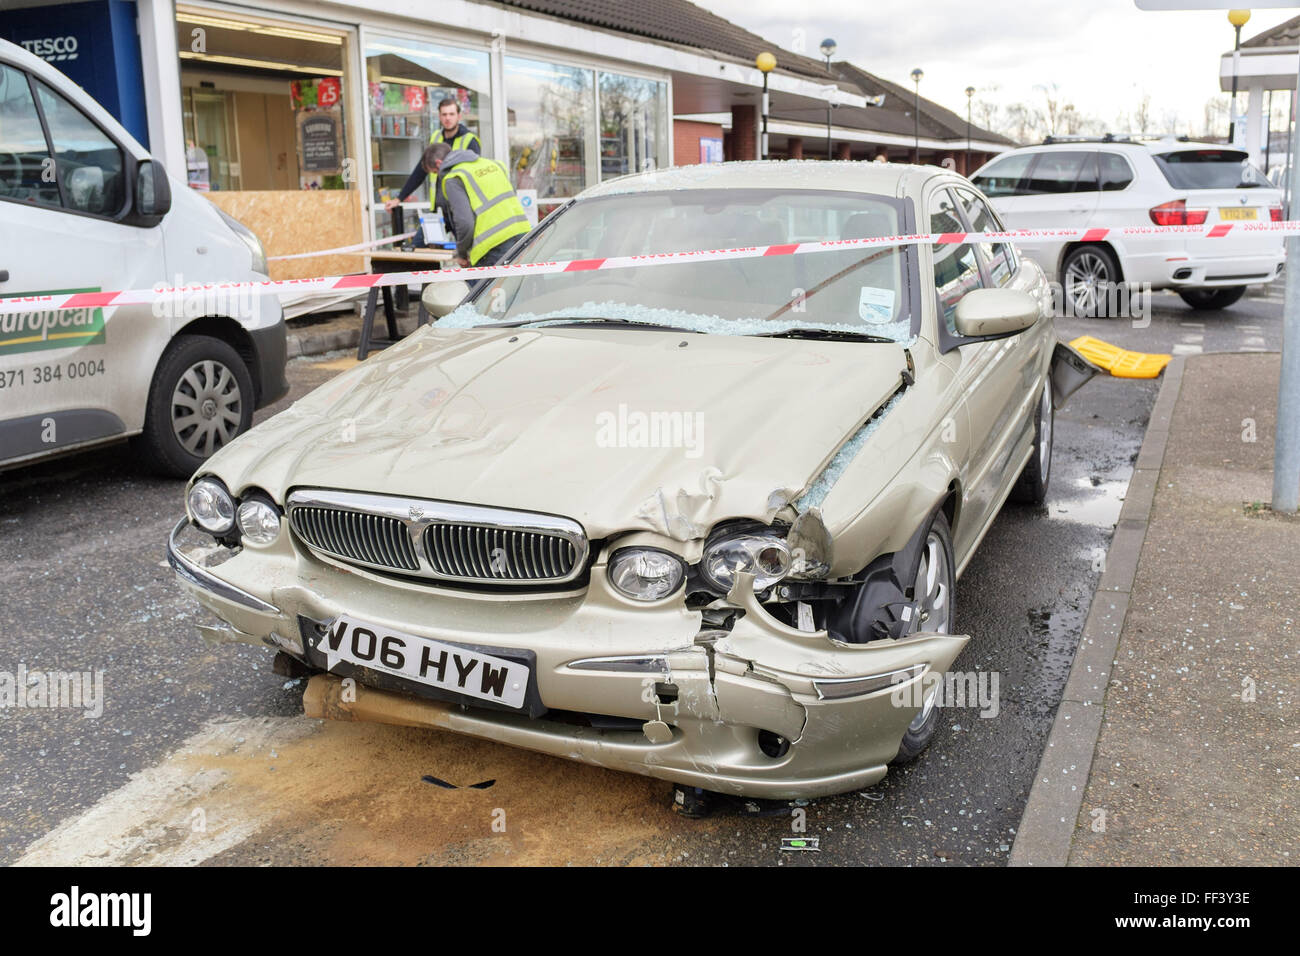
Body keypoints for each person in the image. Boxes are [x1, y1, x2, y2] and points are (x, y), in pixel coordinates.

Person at [423, 142, 531, 286]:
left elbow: (465, 223)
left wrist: (461, 253)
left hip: (492, 246)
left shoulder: (454, 178)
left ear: (439, 163)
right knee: (518, 294)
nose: (438, 176)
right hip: (522, 234)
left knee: (480, 302)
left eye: (435, 173)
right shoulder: (493, 164)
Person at [384, 97, 481, 217]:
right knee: (421, 237)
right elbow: (420, 171)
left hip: (460, 210)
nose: (448, 118)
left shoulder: (469, 140)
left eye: (451, 114)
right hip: (438, 210)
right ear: (439, 117)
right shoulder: (436, 138)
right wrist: (399, 198)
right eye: (444, 114)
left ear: (459, 116)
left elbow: (476, 176)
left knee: (463, 236)